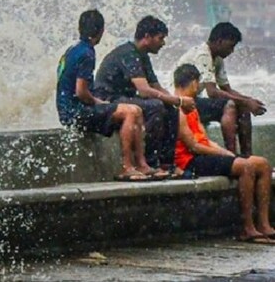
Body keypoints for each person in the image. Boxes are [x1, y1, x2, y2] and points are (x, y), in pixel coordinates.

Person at [173, 63, 275, 244]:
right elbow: (193, 146)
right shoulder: (178, 108)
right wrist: (224, 156)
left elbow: (205, 139)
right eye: (198, 84)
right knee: (246, 167)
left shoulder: (192, 107)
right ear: (194, 83)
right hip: (190, 161)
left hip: (204, 155)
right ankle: (247, 228)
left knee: (263, 164)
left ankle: (264, 224)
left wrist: (226, 152)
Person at [56, 10, 156, 181]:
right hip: (74, 113)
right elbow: (81, 92)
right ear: (101, 31)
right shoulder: (87, 53)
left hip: (66, 110)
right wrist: (98, 102)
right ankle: (126, 167)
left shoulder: (72, 49)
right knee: (130, 112)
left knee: (137, 110)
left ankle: (142, 164)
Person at [94, 15, 192, 178]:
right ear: (147, 37)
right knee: (155, 107)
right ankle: (150, 163)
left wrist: (177, 102)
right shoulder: (129, 53)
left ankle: (167, 164)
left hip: (124, 98)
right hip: (108, 100)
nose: (163, 43)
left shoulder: (143, 55)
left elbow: (156, 87)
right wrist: (179, 100)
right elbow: (144, 91)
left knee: (170, 108)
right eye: (160, 38)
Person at [174, 22, 268, 157]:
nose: (232, 51)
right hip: (182, 103)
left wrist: (248, 100)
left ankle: (247, 156)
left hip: (195, 100)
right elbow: (212, 92)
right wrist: (245, 101)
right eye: (231, 46)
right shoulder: (203, 55)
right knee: (229, 105)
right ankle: (231, 156)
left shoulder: (217, 59)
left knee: (242, 107)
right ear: (219, 41)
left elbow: (226, 89)